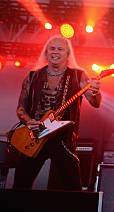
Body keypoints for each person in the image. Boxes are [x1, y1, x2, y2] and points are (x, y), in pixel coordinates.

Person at [13, 35, 101, 190]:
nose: (55, 52)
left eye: (60, 49)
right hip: (34, 137)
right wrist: (29, 121)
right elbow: (21, 108)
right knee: (20, 185)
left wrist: (95, 91)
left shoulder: (77, 75)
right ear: (46, 53)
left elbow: (95, 103)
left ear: (67, 54)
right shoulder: (32, 76)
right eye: (52, 48)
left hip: (62, 139)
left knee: (73, 188)